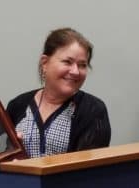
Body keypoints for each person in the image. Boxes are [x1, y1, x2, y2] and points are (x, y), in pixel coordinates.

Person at [6, 28, 111, 158]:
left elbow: (89, 172)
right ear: (45, 63)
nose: (75, 71)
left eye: (82, 65)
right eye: (67, 62)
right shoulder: (17, 105)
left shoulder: (93, 110)